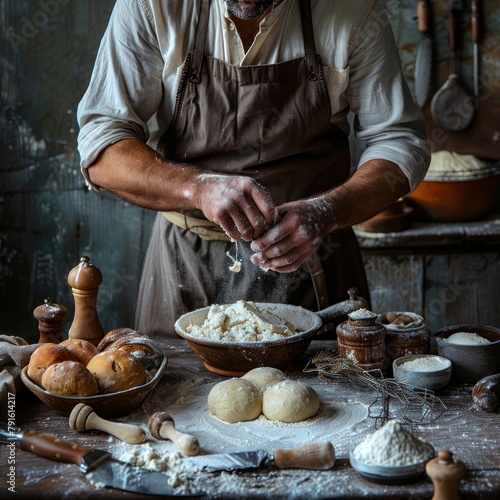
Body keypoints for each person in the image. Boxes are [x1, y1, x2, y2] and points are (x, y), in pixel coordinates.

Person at [77, 0, 430, 339]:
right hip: (185, 265)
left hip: (314, 262)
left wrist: (327, 212)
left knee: (321, 396)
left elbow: (399, 140)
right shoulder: (152, 6)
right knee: (176, 398)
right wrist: (196, 187)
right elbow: (102, 147)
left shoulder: (351, 9)